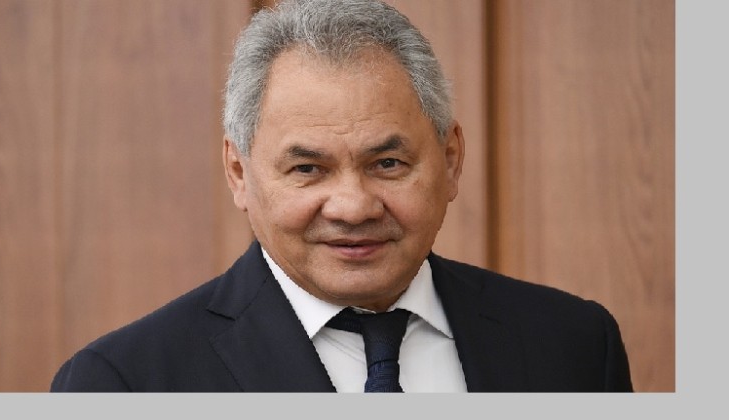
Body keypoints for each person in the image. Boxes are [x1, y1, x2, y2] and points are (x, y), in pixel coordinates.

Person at [50, 0, 633, 392]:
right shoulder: (125, 383)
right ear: (238, 172)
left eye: (387, 163)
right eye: (308, 168)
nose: (353, 207)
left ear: (451, 160)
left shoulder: (575, 345)